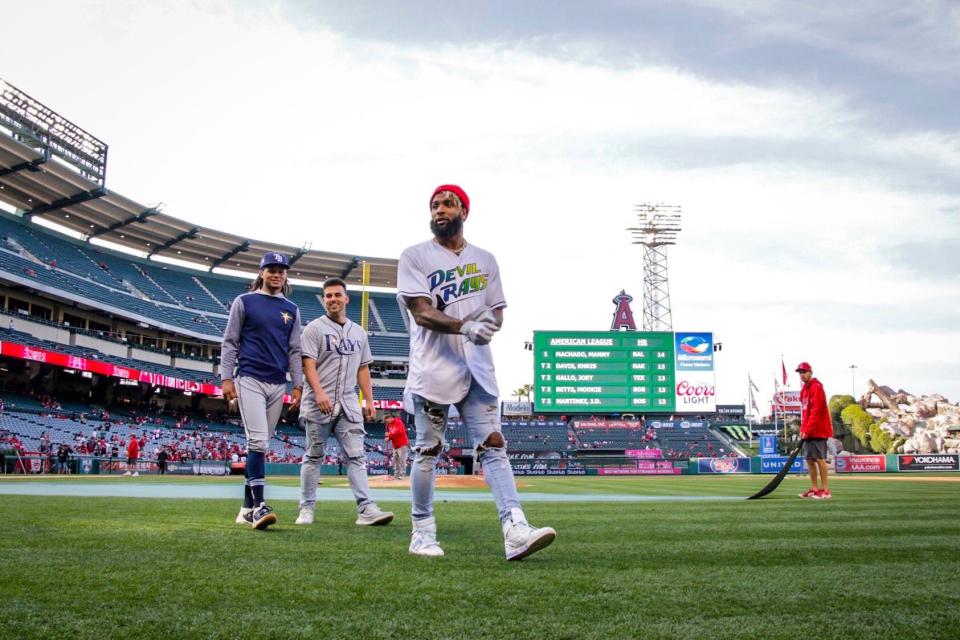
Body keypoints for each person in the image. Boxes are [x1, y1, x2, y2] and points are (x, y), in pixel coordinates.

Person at [396, 184, 556, 560]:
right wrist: (465, 326)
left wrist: (487, 323)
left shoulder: (486, 260)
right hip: (433, 369)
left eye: (448, 204)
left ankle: (514, 527)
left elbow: (497, 311)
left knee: (495, 448)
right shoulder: (415, 255)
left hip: (479, 370)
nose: (440, 210)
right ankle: (422, 531)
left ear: (464, 212)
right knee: (428, 451)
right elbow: (421, 311)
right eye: (434, 205)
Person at [295, 277, 393, 527]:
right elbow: (308, 364)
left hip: (348, 403)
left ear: (346, 298)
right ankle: (306, 508)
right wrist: (318, 392)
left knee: (357, 456)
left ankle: (366, 509)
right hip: (320, 402)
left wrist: (369, 400)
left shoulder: (358, 332)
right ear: (324, 299)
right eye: (328, 296)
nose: (333, 299)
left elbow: (363, 368)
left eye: (337, 295)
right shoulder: (314, 329)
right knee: (314, 455)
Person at [221, 252, 303, 530]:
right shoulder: (244, 301)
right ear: (261, 272)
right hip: (250, 378)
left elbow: (294, 350)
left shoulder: (291, 308)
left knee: (260, 446)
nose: (277, 274)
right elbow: (230, 341)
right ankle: (259, 506)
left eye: (282, 270)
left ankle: (245, 508)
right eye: (272, 269)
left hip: (277, 382)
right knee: (257, 442)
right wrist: (226, 378)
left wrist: (298, 384)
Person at [796, 362, 833, 500]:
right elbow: (805, 413)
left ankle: (825, 490)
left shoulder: (816, 387)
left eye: (804, 372)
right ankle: (814, 489)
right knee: (810, 460)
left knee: (820, 459)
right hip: (809, 431)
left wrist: (808, 429)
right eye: (800, 373)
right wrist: (803, 430)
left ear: (810, 372)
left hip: (818, 430)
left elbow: (816, 412)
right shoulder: (804, 390)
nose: (802, 375)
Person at [384, 413, 410, 480]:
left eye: (387, 420)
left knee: (402, 460)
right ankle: (396, 475)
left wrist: (389, 435)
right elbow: (391, 434)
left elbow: (399, 432)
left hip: (402, 444)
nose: (387, 422)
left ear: (390, 418)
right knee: (395, 460)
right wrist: (388, 438)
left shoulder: (398, 422)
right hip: (395, 445)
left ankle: (402, 474)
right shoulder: (388, 425)